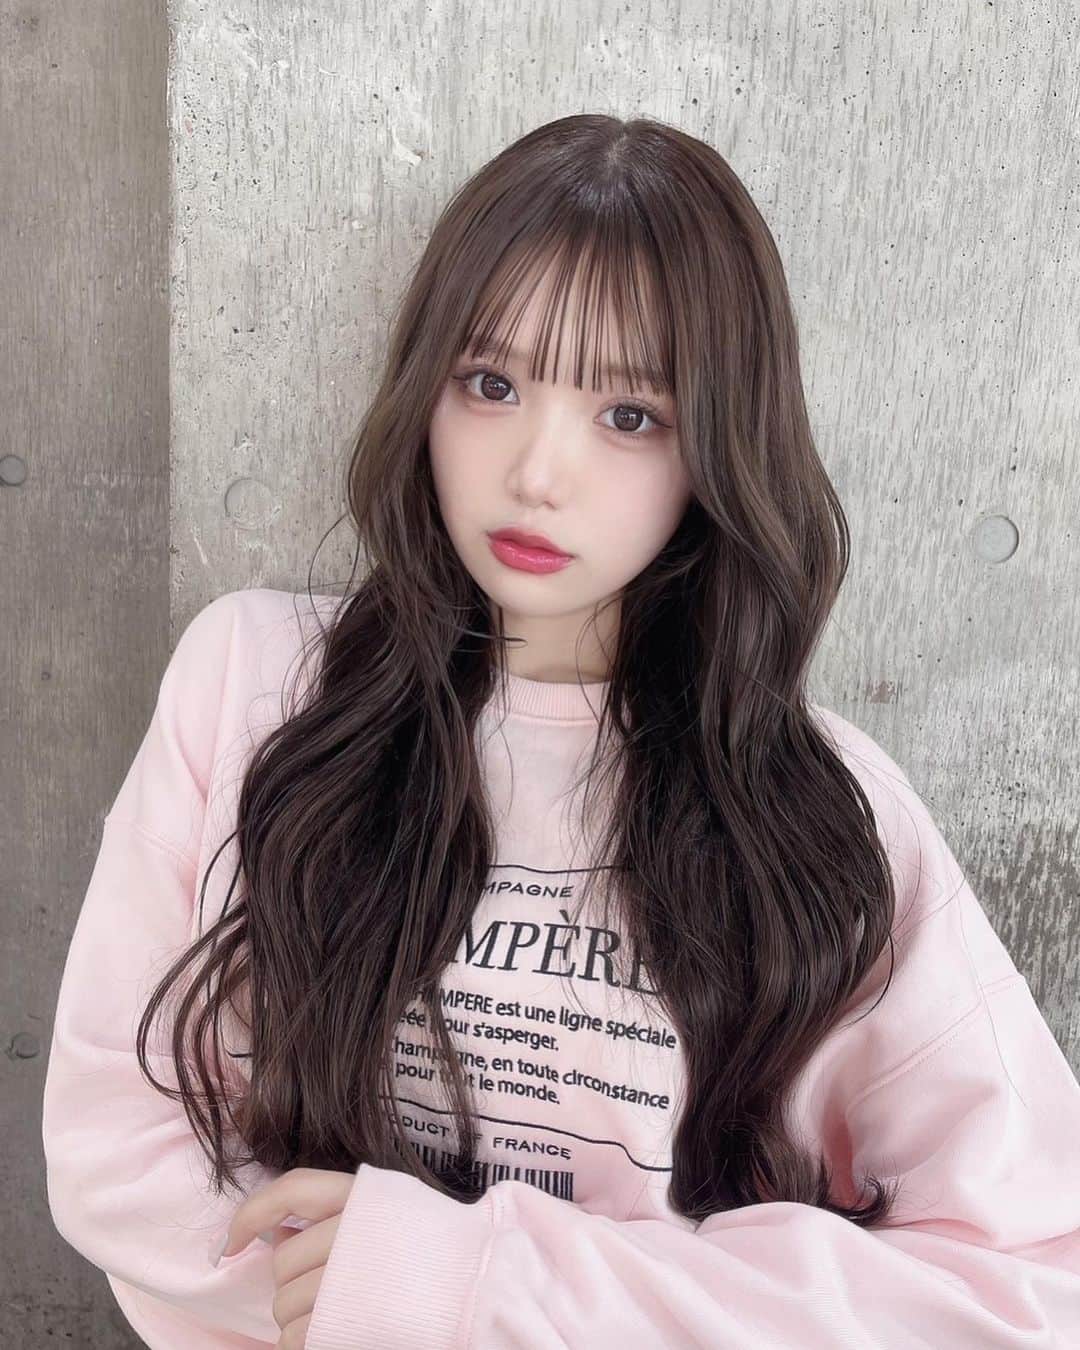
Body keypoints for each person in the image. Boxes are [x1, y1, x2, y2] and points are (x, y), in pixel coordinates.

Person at [43, 113, 1080, 1349]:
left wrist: (473, 1291)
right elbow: (118, 1151)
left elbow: (1029, 1285)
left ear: (718, 444)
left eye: (630, 415)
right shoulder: (256, 684)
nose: (537, 472)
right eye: (491, 385)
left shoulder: (825, 815)